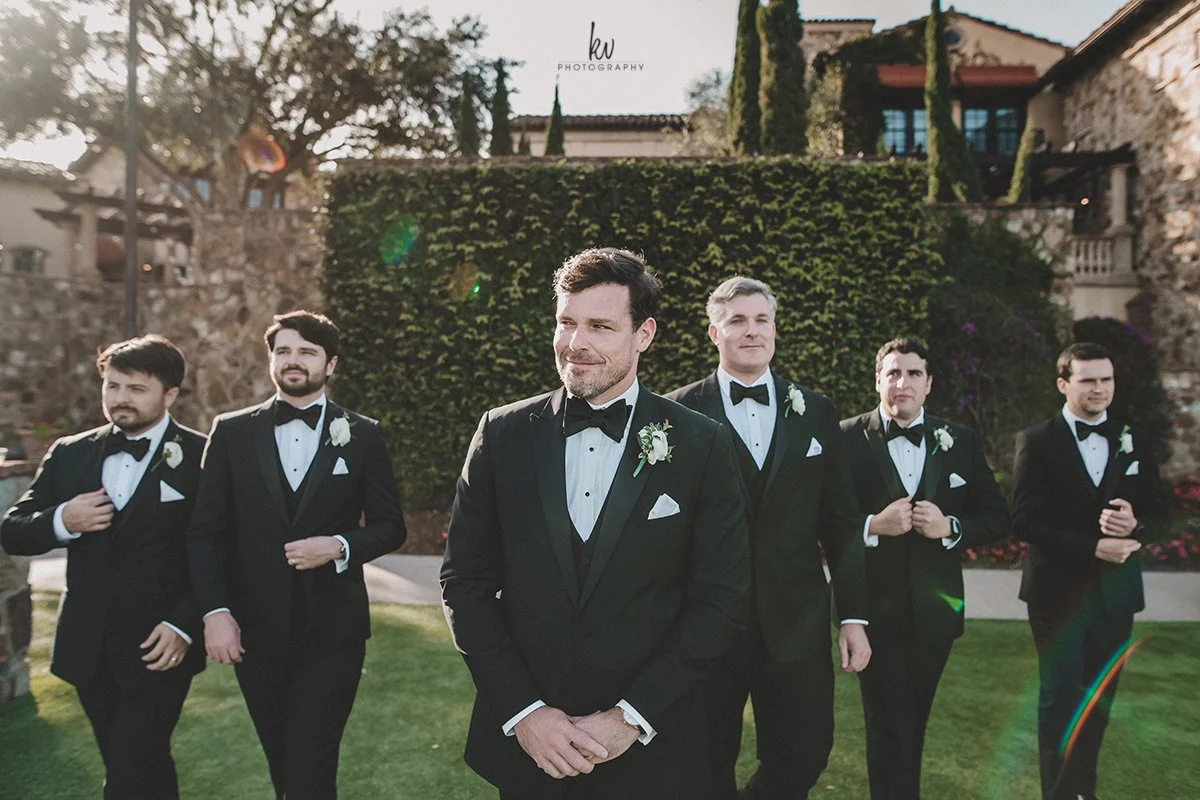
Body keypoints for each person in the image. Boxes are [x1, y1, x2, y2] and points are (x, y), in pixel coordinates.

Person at [441, 247, 751, 799]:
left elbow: (722, 598)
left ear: (644, 334)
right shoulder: (501, 434)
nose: (575, 343)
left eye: (600, 327)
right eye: (566, 322)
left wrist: (632, 716)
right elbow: (464, 583)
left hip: (656, 748)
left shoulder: (702, 444)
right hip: (531, 750)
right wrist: (524, 712)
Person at [187, 310, 405, 800]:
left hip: (333, 632)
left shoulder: (363, 433)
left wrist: (339, 546)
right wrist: (215, 612)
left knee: (311, 762)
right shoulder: (231, 432)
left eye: (307, 352)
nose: (293, 360)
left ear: (331, 365)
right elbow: (205, 534)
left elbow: (391, 526)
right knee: (282, 760)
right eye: (283, 350)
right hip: (254, 630)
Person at [666, 276, 870, 799]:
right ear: (714, 333)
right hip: (705, 624)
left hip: (796, 622)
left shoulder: (817, 410)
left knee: (806, 752)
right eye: (737, 321)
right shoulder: (676, 414)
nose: (751, 331)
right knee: (701, 764)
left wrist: (852, 616)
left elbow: (842, 523)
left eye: (761, 320)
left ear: (775, 330)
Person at [1, 335, 205, 799]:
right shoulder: (70, 452)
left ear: (170, 394)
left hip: (161, 646)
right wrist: (62, 519)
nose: (120, 398)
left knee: (130, 768)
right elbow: (13, 530)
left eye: (136, 389)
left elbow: (221, 553)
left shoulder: (203, 456)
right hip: (89, 646)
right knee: (137, 762)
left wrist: (185, 623)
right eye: (112, 386)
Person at [840, 337, 1008, 800]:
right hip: (873, 613)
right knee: (887, 726)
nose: (903, 382)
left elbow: (996, 517)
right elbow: (824, 519)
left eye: (914, 373)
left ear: (929, 383)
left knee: (913, 723)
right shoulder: (847, 437)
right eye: (893, 373)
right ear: (878, 381)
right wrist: (874, 524)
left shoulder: (961, 441)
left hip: (936, 614)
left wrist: (950, 526)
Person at [1013, 342, 1167, 800]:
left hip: (1115, 596)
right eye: (1088, 380)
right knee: (1059, 701)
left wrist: (1136, 525)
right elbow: (1024, 520)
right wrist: (1094, 547)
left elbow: (1161, 513)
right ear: (1063, 384)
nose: (1100, 388)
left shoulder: (1134, 440)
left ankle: (1084, 793)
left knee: (1099, 703)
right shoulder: (1037, 441)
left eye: (1106, 379)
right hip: (1056, 595)